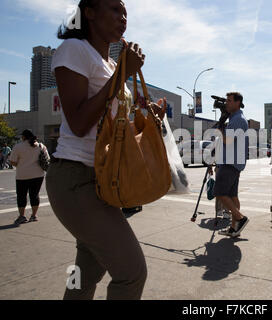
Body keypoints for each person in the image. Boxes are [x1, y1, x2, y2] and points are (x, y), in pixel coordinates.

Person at [46, 0, 166, 300]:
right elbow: (78, 122)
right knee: (131, 272)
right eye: (114, 9)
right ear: (89, 12)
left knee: (85, 273)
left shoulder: (111, 64)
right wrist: (122, 74)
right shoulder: (74, 50)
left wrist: (146, 116)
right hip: (74, 178)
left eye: (124, 12)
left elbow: (114, 125)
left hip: (103, 179)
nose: (122, 17)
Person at [211, 92, 249, 238]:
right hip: (232, 161)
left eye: (229, 100)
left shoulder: (238, 119)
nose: (226, 103)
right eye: (226, 100)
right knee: (232, 196)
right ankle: (234, 228)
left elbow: (227, 140)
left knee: (219, 192)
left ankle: (240, 218)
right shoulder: (235, 118)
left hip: (230, 162)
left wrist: (219, 129)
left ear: (237, 103)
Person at [9, 130, 49, 224]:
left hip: (22, 175)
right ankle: (34, 215)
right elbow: (47, 159)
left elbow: (13, 162)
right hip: (38, 174)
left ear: (24, 137)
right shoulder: (41, 146)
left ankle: (22, 216)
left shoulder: (18, 147)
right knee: (34, 195)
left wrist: (22, 163)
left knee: (21, 196)